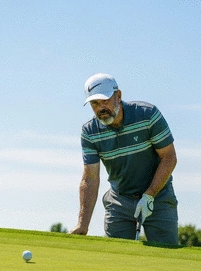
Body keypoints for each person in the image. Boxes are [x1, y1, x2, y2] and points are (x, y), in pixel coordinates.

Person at [70, 73, 178, 244]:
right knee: (116, 260)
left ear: (118, 96)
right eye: (94, 104)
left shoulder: (147, 114)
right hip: (119, 201)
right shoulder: (90, 132)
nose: (100, 108)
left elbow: (169, 157)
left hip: (159, 198)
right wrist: (83, 225)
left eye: (104, 101)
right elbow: (90, 178)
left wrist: (149, 195)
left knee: (167, 256)